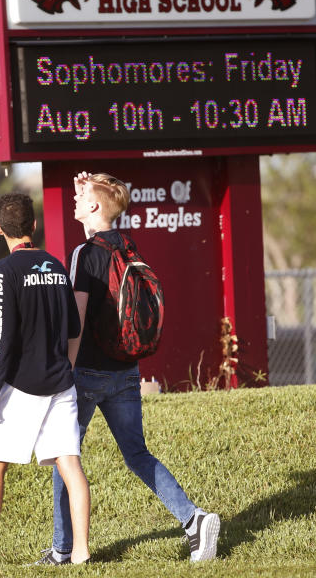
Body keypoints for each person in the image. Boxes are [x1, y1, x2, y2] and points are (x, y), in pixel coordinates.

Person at [39, 172, 220, 565]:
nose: (75, 201)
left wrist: (63, 374)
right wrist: (86, 189)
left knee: (64, 456)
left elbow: (78, 320)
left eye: (81, 196)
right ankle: (194, 520)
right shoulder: (127, 246)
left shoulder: (85, 255)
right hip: (126, 370)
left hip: (86, 372)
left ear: (94, 207)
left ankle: (62, 548)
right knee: (137, 454)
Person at [0, 193, 91, 566]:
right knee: (70, 465)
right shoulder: (56, 265)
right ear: (33, 226)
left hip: (20, 385)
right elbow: (72, 326)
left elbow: (5, 338)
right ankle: (82, 554)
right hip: (61, 383)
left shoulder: (3, 270)